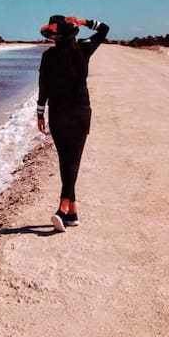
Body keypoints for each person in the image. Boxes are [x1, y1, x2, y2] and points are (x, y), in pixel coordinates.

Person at [37, 15, 110, 232]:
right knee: (72, 161)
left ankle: (63, 208)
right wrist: (85, 21)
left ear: (54, 37)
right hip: (80, 111)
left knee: (66, 161)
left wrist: (40, 113)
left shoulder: (48, 56)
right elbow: (104, 29)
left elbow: (43, 87)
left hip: (58, 112)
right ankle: (71, 211)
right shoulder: (84, 48)